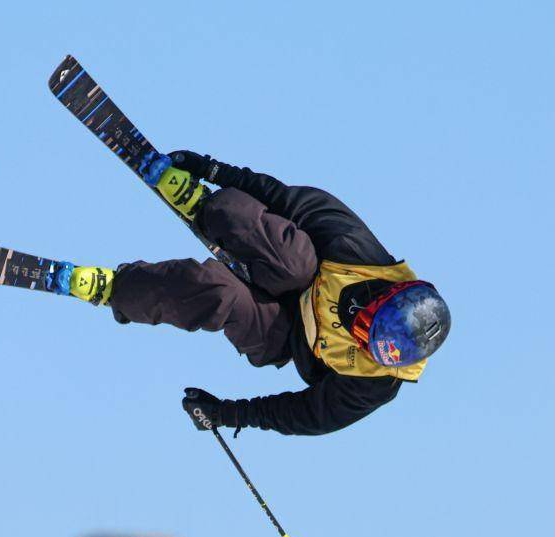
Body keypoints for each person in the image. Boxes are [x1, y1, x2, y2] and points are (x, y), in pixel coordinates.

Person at [58, 151, 451, 436]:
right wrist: (214, 171)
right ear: (384, 297)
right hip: (292, 272)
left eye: (368, 344)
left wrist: (225, 414)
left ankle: (119, 290)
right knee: (296, 260)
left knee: (217, 290)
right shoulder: (357, 252)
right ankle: (207, 208)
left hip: (283, 334)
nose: (358, 337)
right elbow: (285, 197)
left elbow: (302, 414)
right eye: (366, 324)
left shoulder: (375, 383)